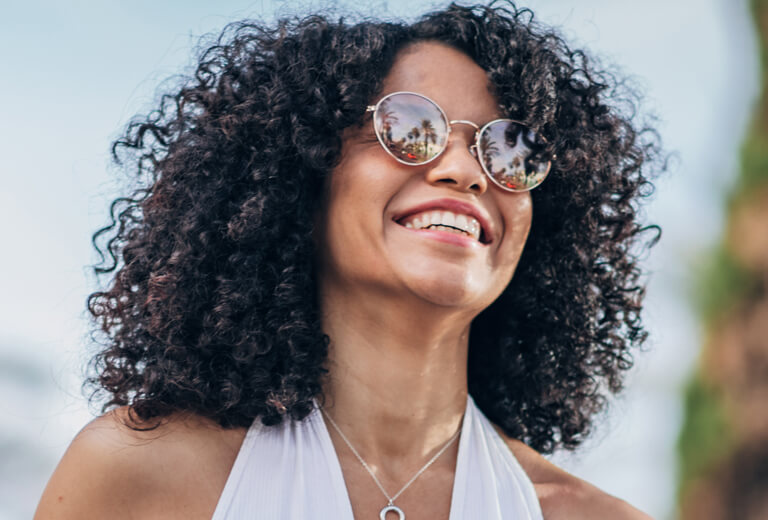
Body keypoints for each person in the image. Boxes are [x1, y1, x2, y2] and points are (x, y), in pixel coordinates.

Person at [35, 2, 662, 518]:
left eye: (509, 148)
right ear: (302, 171)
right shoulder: (138, 476)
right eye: (411, 126)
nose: (466, 171)